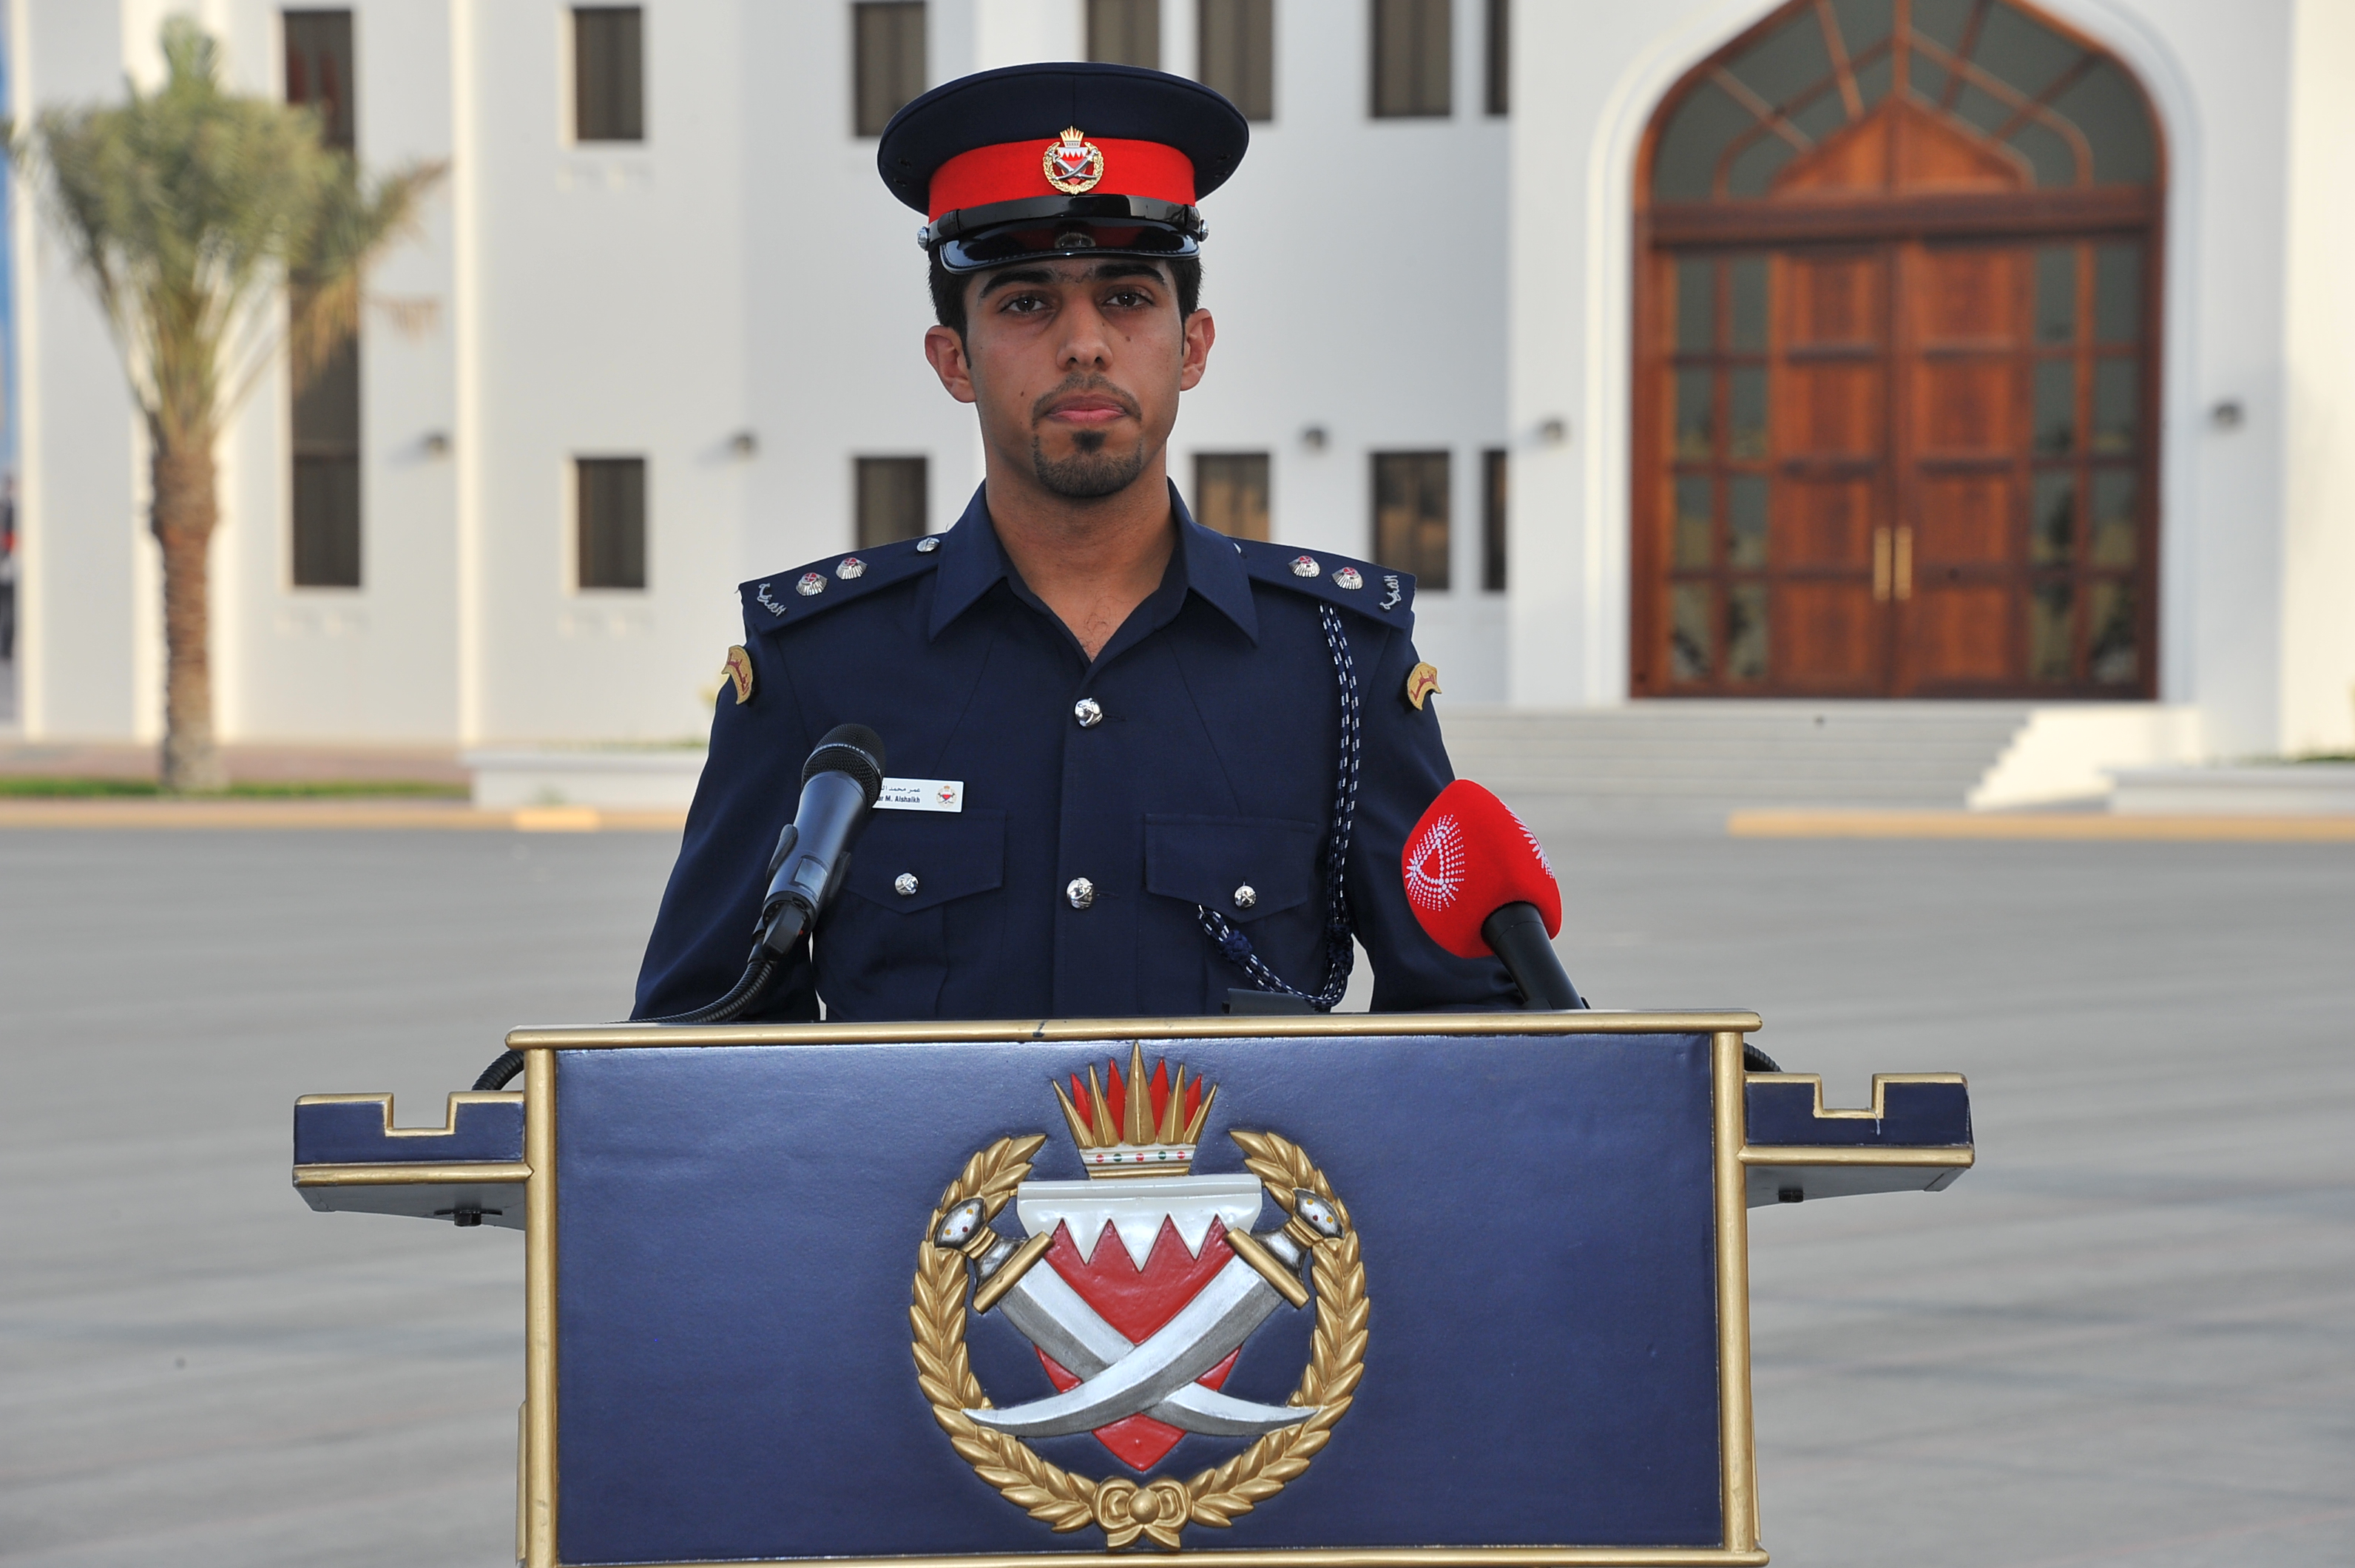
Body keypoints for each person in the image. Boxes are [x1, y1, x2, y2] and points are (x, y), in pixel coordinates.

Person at [632, 63, 1516, 1023]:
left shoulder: (1337, 665)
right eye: (1026, 303)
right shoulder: (821, 668)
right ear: (955, 360)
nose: (1085, 344)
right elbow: (695, 1044)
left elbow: (1475, 1030)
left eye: (1128, 298)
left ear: (1193, 347)